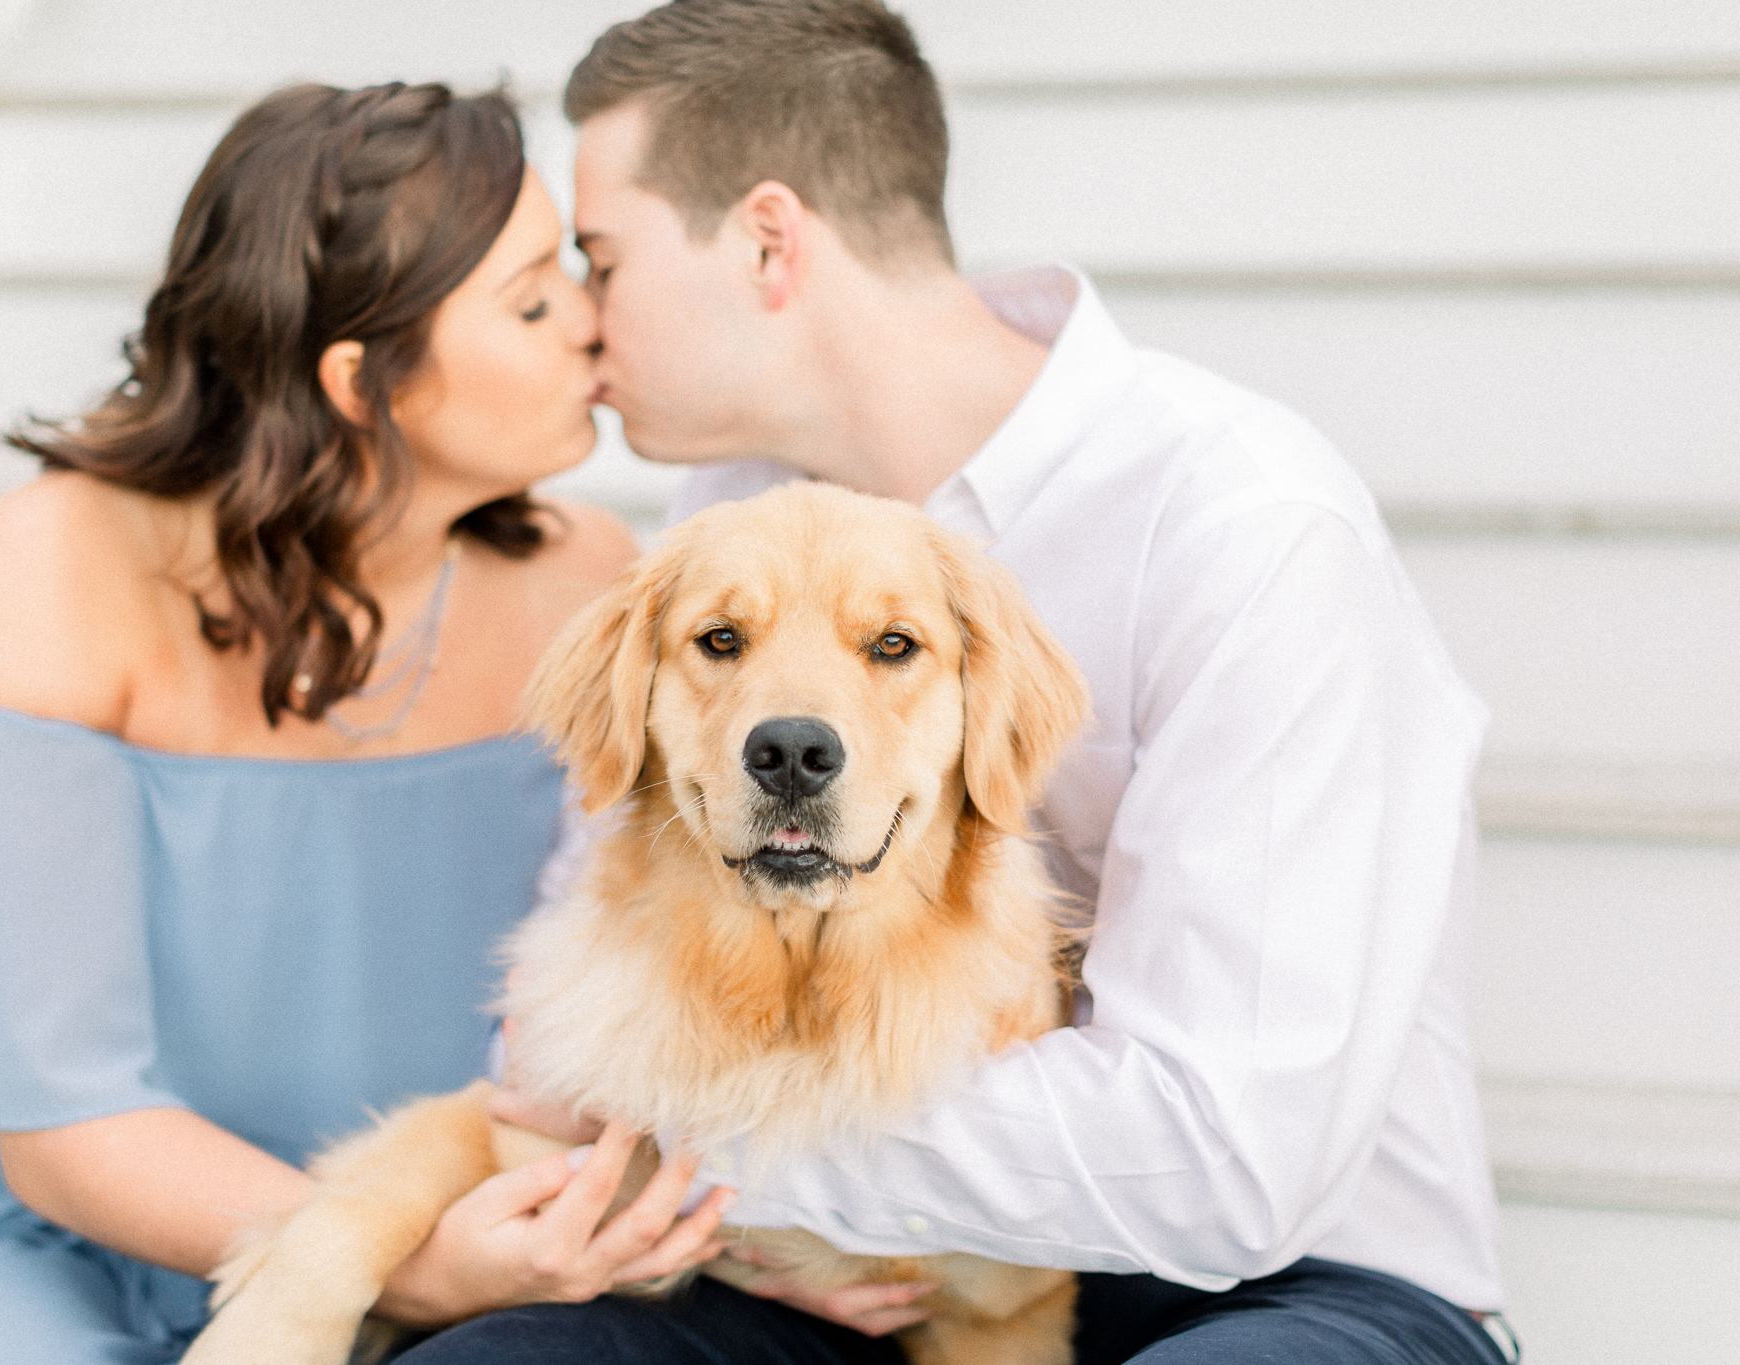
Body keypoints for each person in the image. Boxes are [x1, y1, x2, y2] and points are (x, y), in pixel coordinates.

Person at [412, 2, 1518, 1362]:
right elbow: (577, 982)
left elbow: (1229, 1164)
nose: (582, 324)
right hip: (834, 1269)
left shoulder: (1245, 525)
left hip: (1287, 1284)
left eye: (602, 259)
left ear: (770, 242)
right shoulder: (736, 519)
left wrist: (706, 1140)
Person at [0, 82, 746, 1365]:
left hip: (445, 1200)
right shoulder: (55, 562)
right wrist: (399, 1265)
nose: (593, 329)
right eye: (535, 300)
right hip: (66, 1246)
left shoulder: (585, 576)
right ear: (360, 381)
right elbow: (59, 1122)